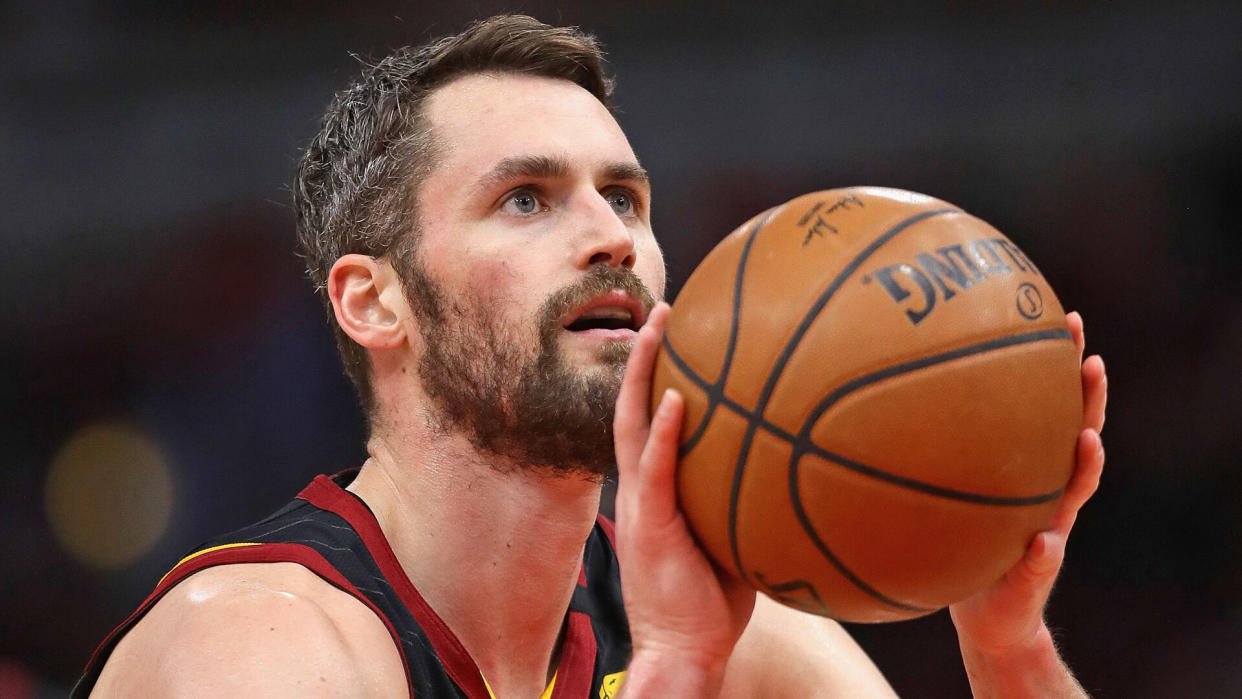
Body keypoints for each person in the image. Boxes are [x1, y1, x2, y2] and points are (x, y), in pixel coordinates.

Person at [75, 14, 1109, 698]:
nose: (612, 236)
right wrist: (672, 669)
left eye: (625, 198)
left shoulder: (701, 621)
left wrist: (1007, 646)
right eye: (524, 199)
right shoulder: (260, 646)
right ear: (372, 301)